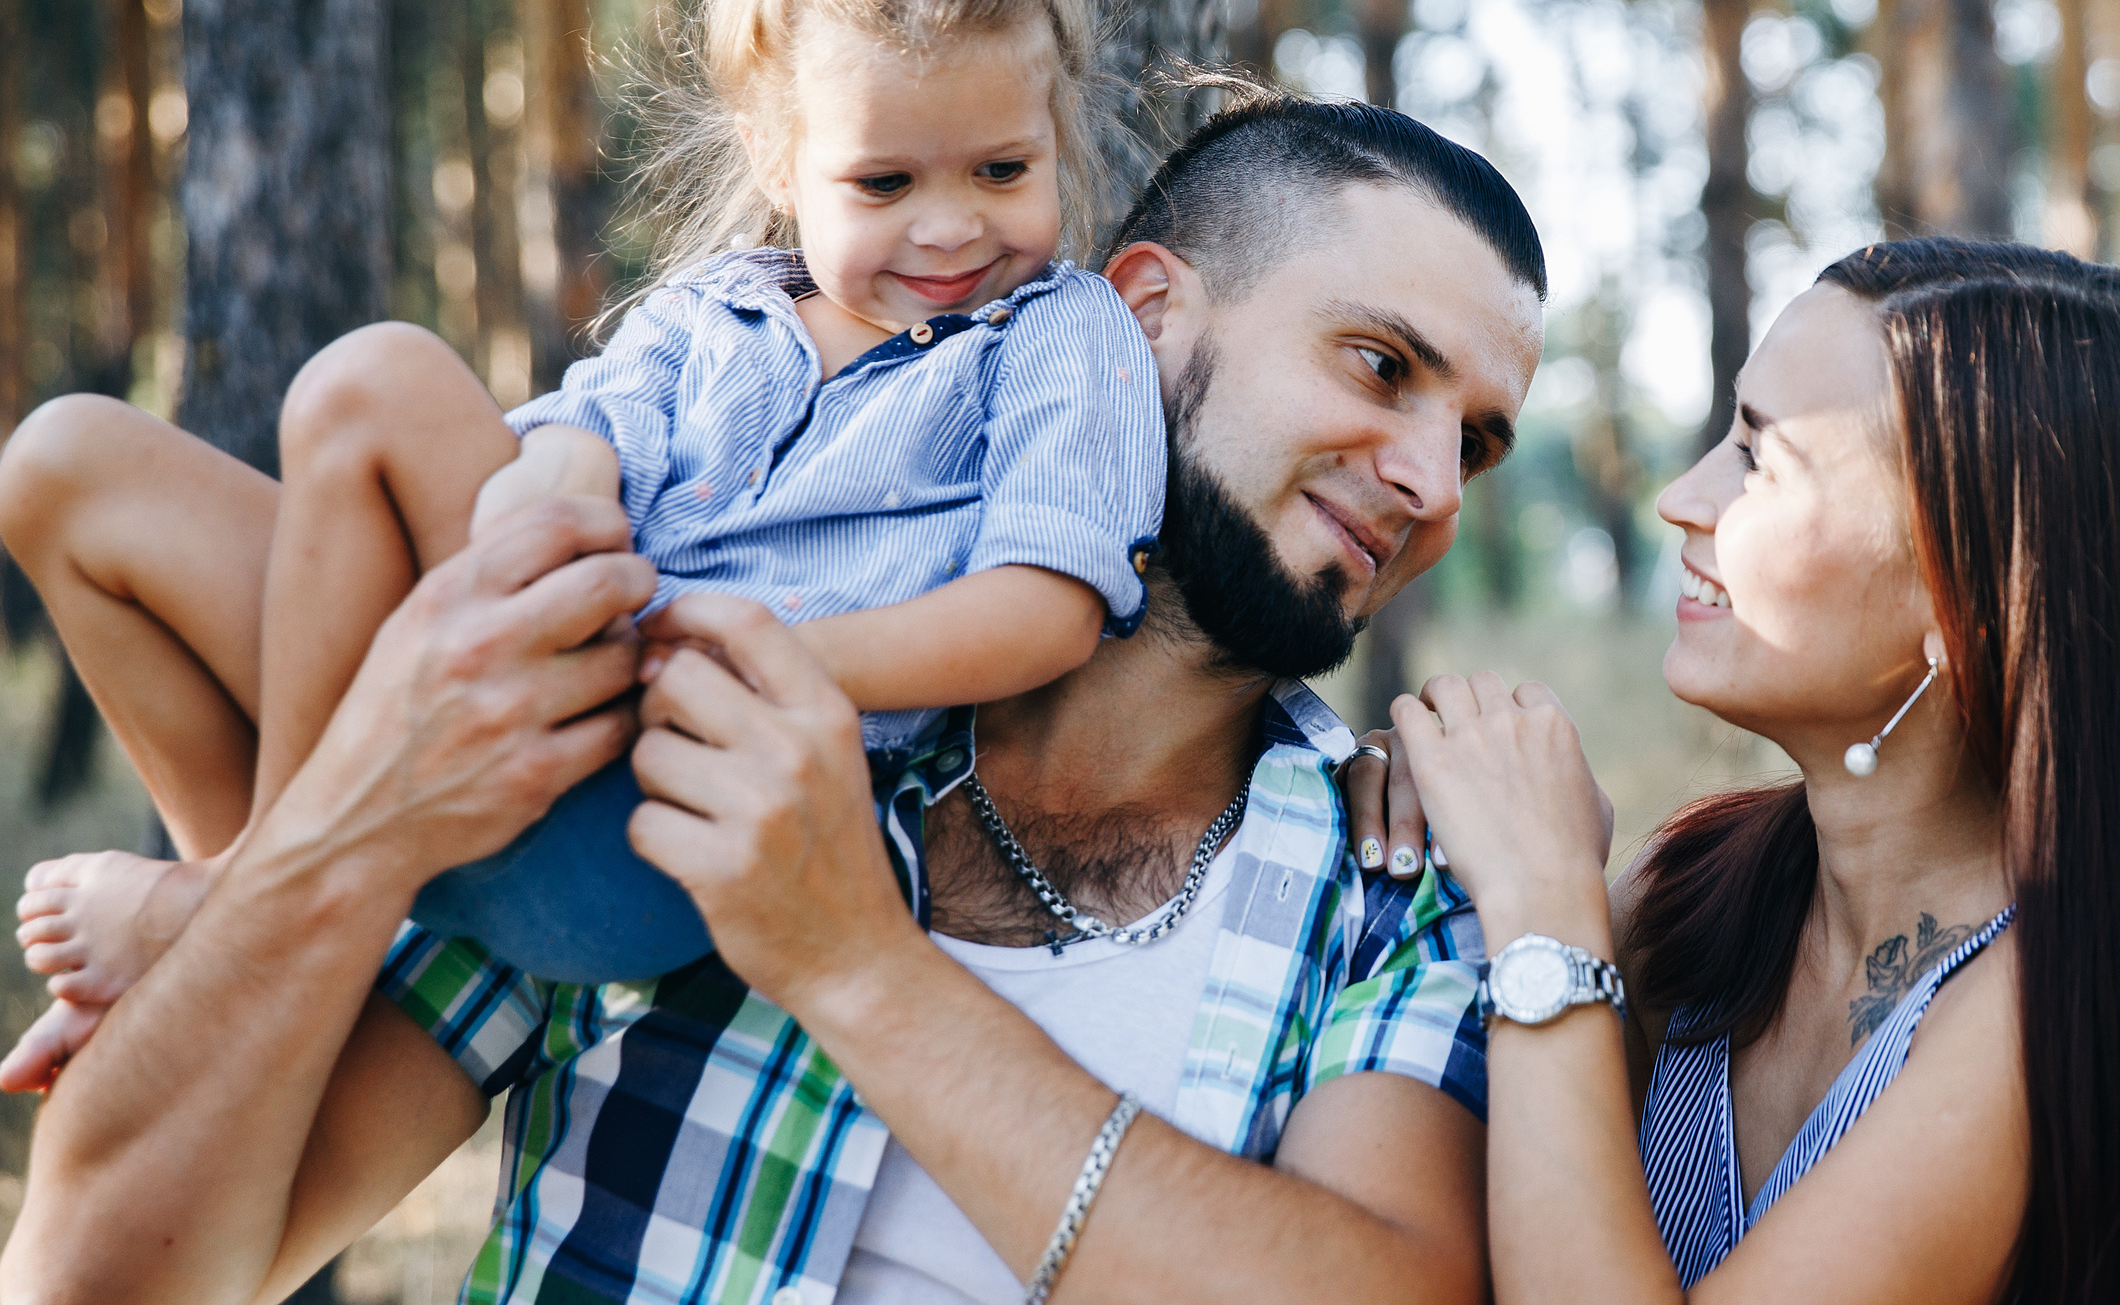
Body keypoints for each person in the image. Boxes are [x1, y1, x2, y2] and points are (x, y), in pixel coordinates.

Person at [0, 91, 1546, 1305]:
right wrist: (338, 827)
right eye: (1378, 363)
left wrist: (855, 964)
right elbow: (107, 1280)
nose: (1426, 479)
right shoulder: (712, 733)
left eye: (1475, 440)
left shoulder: (1401, 886)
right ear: (1141, 312)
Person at [2, 0, 1164, 1082]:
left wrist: (761, 651)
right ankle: (266, 904)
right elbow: (574, 438)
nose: (950, 225)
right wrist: (555, 487)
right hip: (514, 702)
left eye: (1002, 167)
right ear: (780, 157)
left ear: (1055, 129)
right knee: (64, 463)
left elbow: (1045, 605)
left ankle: (239, 903)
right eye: (883, 182)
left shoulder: (1054, 331)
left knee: (377, 375)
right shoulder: (709, 310)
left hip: (662, 805)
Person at [1379, 240, 2120, 1304]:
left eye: (1756, 458)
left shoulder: (2051, 1015)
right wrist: (1415, 820)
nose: (1682, 497)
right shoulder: (1705, 889)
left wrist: (1546, 914)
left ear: (1965, 600)